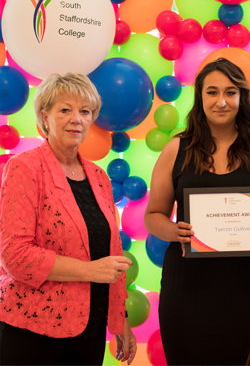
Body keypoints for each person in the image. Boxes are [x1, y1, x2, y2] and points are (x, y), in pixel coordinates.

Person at [144, 58, 250, 365]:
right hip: (187, 288)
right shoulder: (176, 149)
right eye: (211, 92)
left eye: (230, 92)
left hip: (245, 289)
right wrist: (174, 231)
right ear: (200, 97)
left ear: (242, 98)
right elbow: (153, 215)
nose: (221, 101)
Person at [0, 73, 136, 365]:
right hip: (34, 329)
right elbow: (16, 255)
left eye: (85, 112)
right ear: (45, 117)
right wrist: (90, 271)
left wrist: (119, 317)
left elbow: (110, 254)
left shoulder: (99, 177)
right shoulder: (24, 167)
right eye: (65, 110)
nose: (77, 119)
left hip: (92, 328)